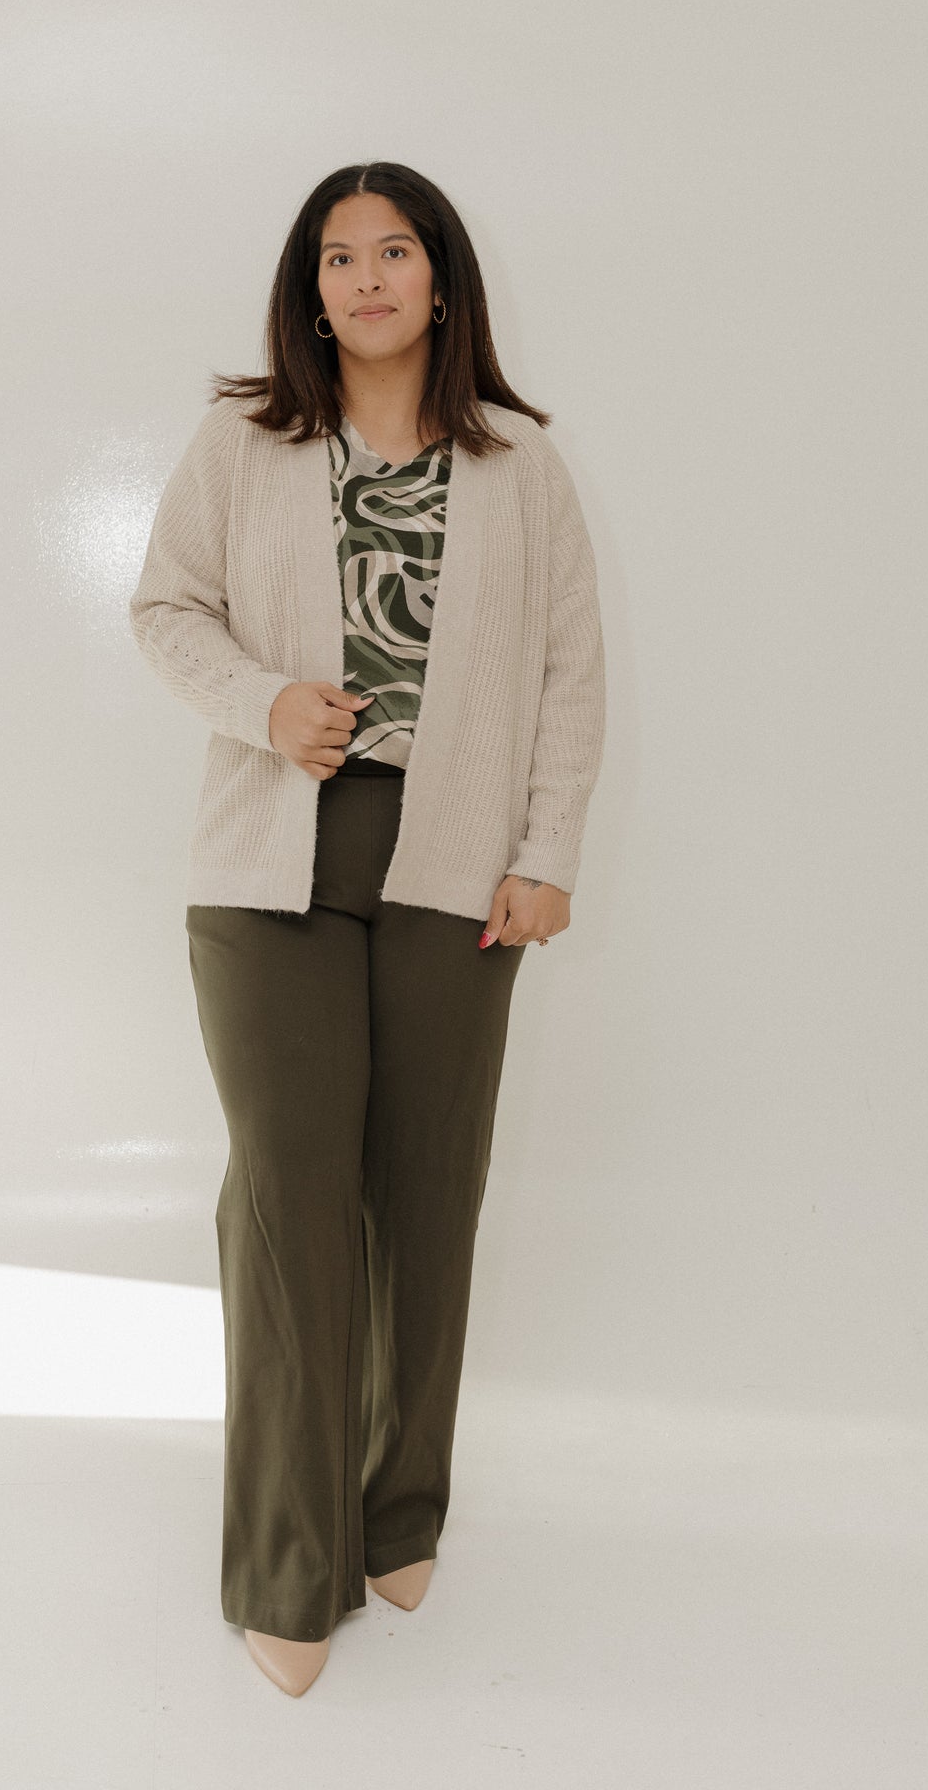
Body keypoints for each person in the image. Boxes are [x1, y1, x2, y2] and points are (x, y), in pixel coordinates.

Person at [129, 159, 607, 1696]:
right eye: (336, 257)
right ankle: (286, 1559)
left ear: (441, 279)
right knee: (286, 1196)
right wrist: (264, 703)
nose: (364, 278)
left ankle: (399, 1512)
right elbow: (164, 611)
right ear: (308, 289)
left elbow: (565, 674)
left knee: (425, 1192)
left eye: (391, 250)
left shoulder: (520, 462)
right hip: (271, 860)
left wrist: (545, 853)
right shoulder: (244, 439)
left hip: (455, 862)